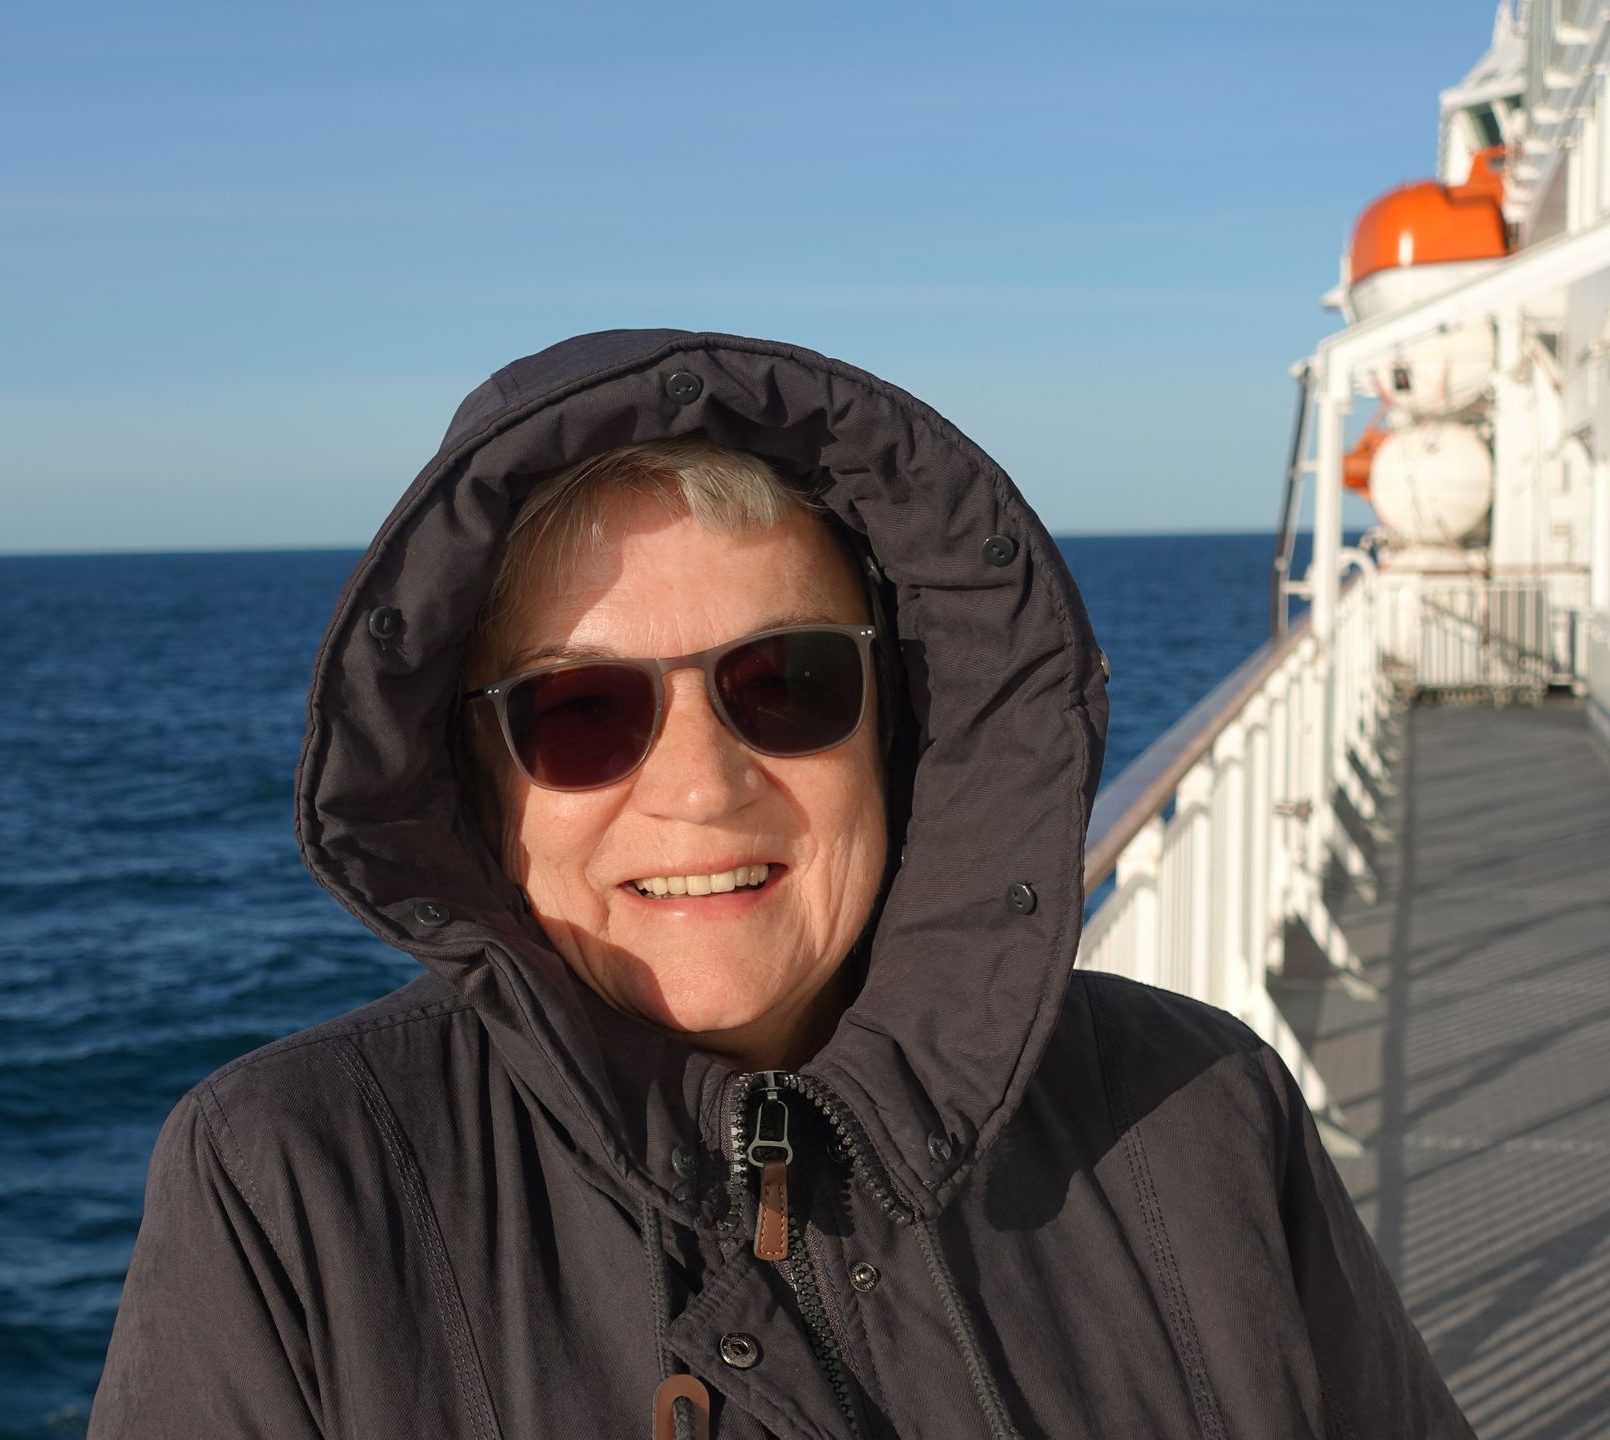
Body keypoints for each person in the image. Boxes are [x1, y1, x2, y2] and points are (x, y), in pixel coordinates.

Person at [88, 330, 1472, 1438]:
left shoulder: (1200, 1113)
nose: (701, 786)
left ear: (897, 731)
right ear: (477, 781)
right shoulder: (290, 1188)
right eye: (581, 712)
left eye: (787, 683)